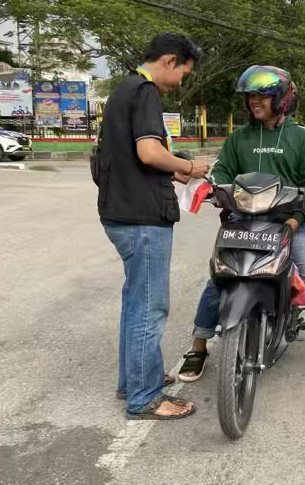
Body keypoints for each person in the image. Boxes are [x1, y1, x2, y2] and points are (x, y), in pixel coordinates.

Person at [178, 65, 305, 382]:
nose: (254, 101)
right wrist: (215, 189)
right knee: (219, 279)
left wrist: (296, 222)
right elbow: (223, 172)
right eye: (250, 96)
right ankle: (198, 347)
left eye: (262, 95)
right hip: (243, 222)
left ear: (281, 98)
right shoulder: (239, 138)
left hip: (288, 222)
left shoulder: (300, 138)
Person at [98, 32, 210, 420]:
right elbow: (148, 152)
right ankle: (144, 397)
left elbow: (133, 157)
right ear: (169, 60)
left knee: (135, 303)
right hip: (142, 218)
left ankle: (132, 381)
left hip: (120, 212)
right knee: (149, 307)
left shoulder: (123, 90)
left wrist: (172, 172)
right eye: (183, 72)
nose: (180, 80)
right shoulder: (145, 91)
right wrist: (189, 166)